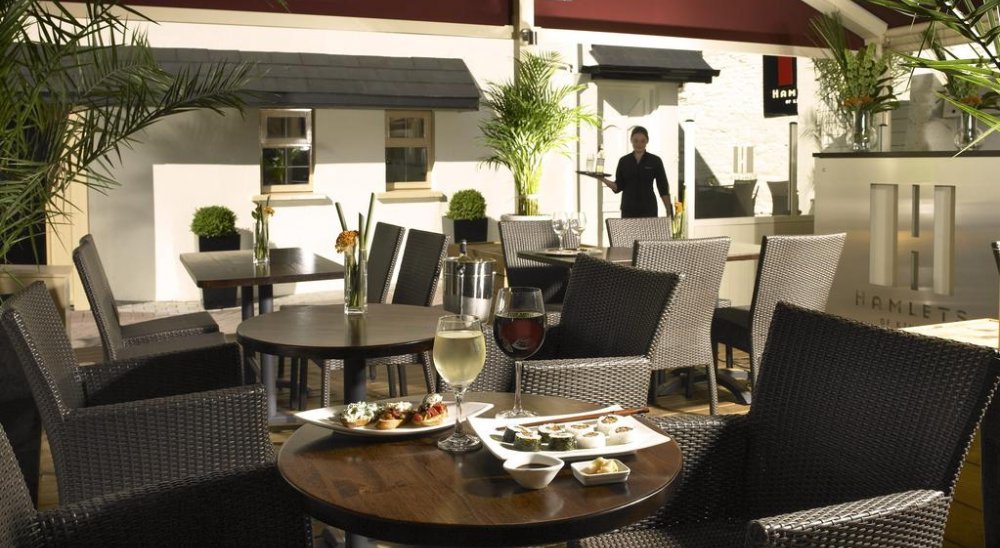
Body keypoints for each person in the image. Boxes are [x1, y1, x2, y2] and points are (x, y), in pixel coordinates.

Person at [599, 126, 673, 219]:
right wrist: (602, 179)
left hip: (648, 209)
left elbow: (663, 187)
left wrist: (668, 211)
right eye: (636, 141)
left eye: (642, 141)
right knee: (629, 230)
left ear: (647, 141)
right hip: (628, 210)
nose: (639, 144)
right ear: (631, 140)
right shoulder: (624, 161)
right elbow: (618, 187)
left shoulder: (655, 161)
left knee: (648, 230)